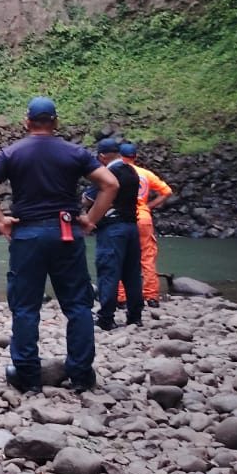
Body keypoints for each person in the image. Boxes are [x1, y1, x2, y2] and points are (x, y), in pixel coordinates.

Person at [0, 97, 119, 394]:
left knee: (26, 307)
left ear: (27, 122)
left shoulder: (12, 153)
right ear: (55, 122)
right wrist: (90, 220)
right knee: (77, 305)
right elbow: (111, 184)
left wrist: (0, 219)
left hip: (27, 236)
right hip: (65, 233)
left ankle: (26, 374)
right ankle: (80, 373)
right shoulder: (74, 152)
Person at [85, 138, 144, 330]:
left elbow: (88, 198)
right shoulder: (132, 172)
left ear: (102, 157)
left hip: (113, 229)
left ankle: (106, 317)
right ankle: (135, 316)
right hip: (132, 227)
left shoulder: (109, 172)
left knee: (109, 271)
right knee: (132, 273)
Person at [118, 141, 174, 308]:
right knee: (147, 258)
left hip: (123, 216)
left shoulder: (116, 172)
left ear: (120, 156)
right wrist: (149, 206)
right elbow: (167, 191)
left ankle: (121, 297)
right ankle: (151, 297)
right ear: (135, 157)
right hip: (143, 217)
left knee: (121, 256)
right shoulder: (145, 174)